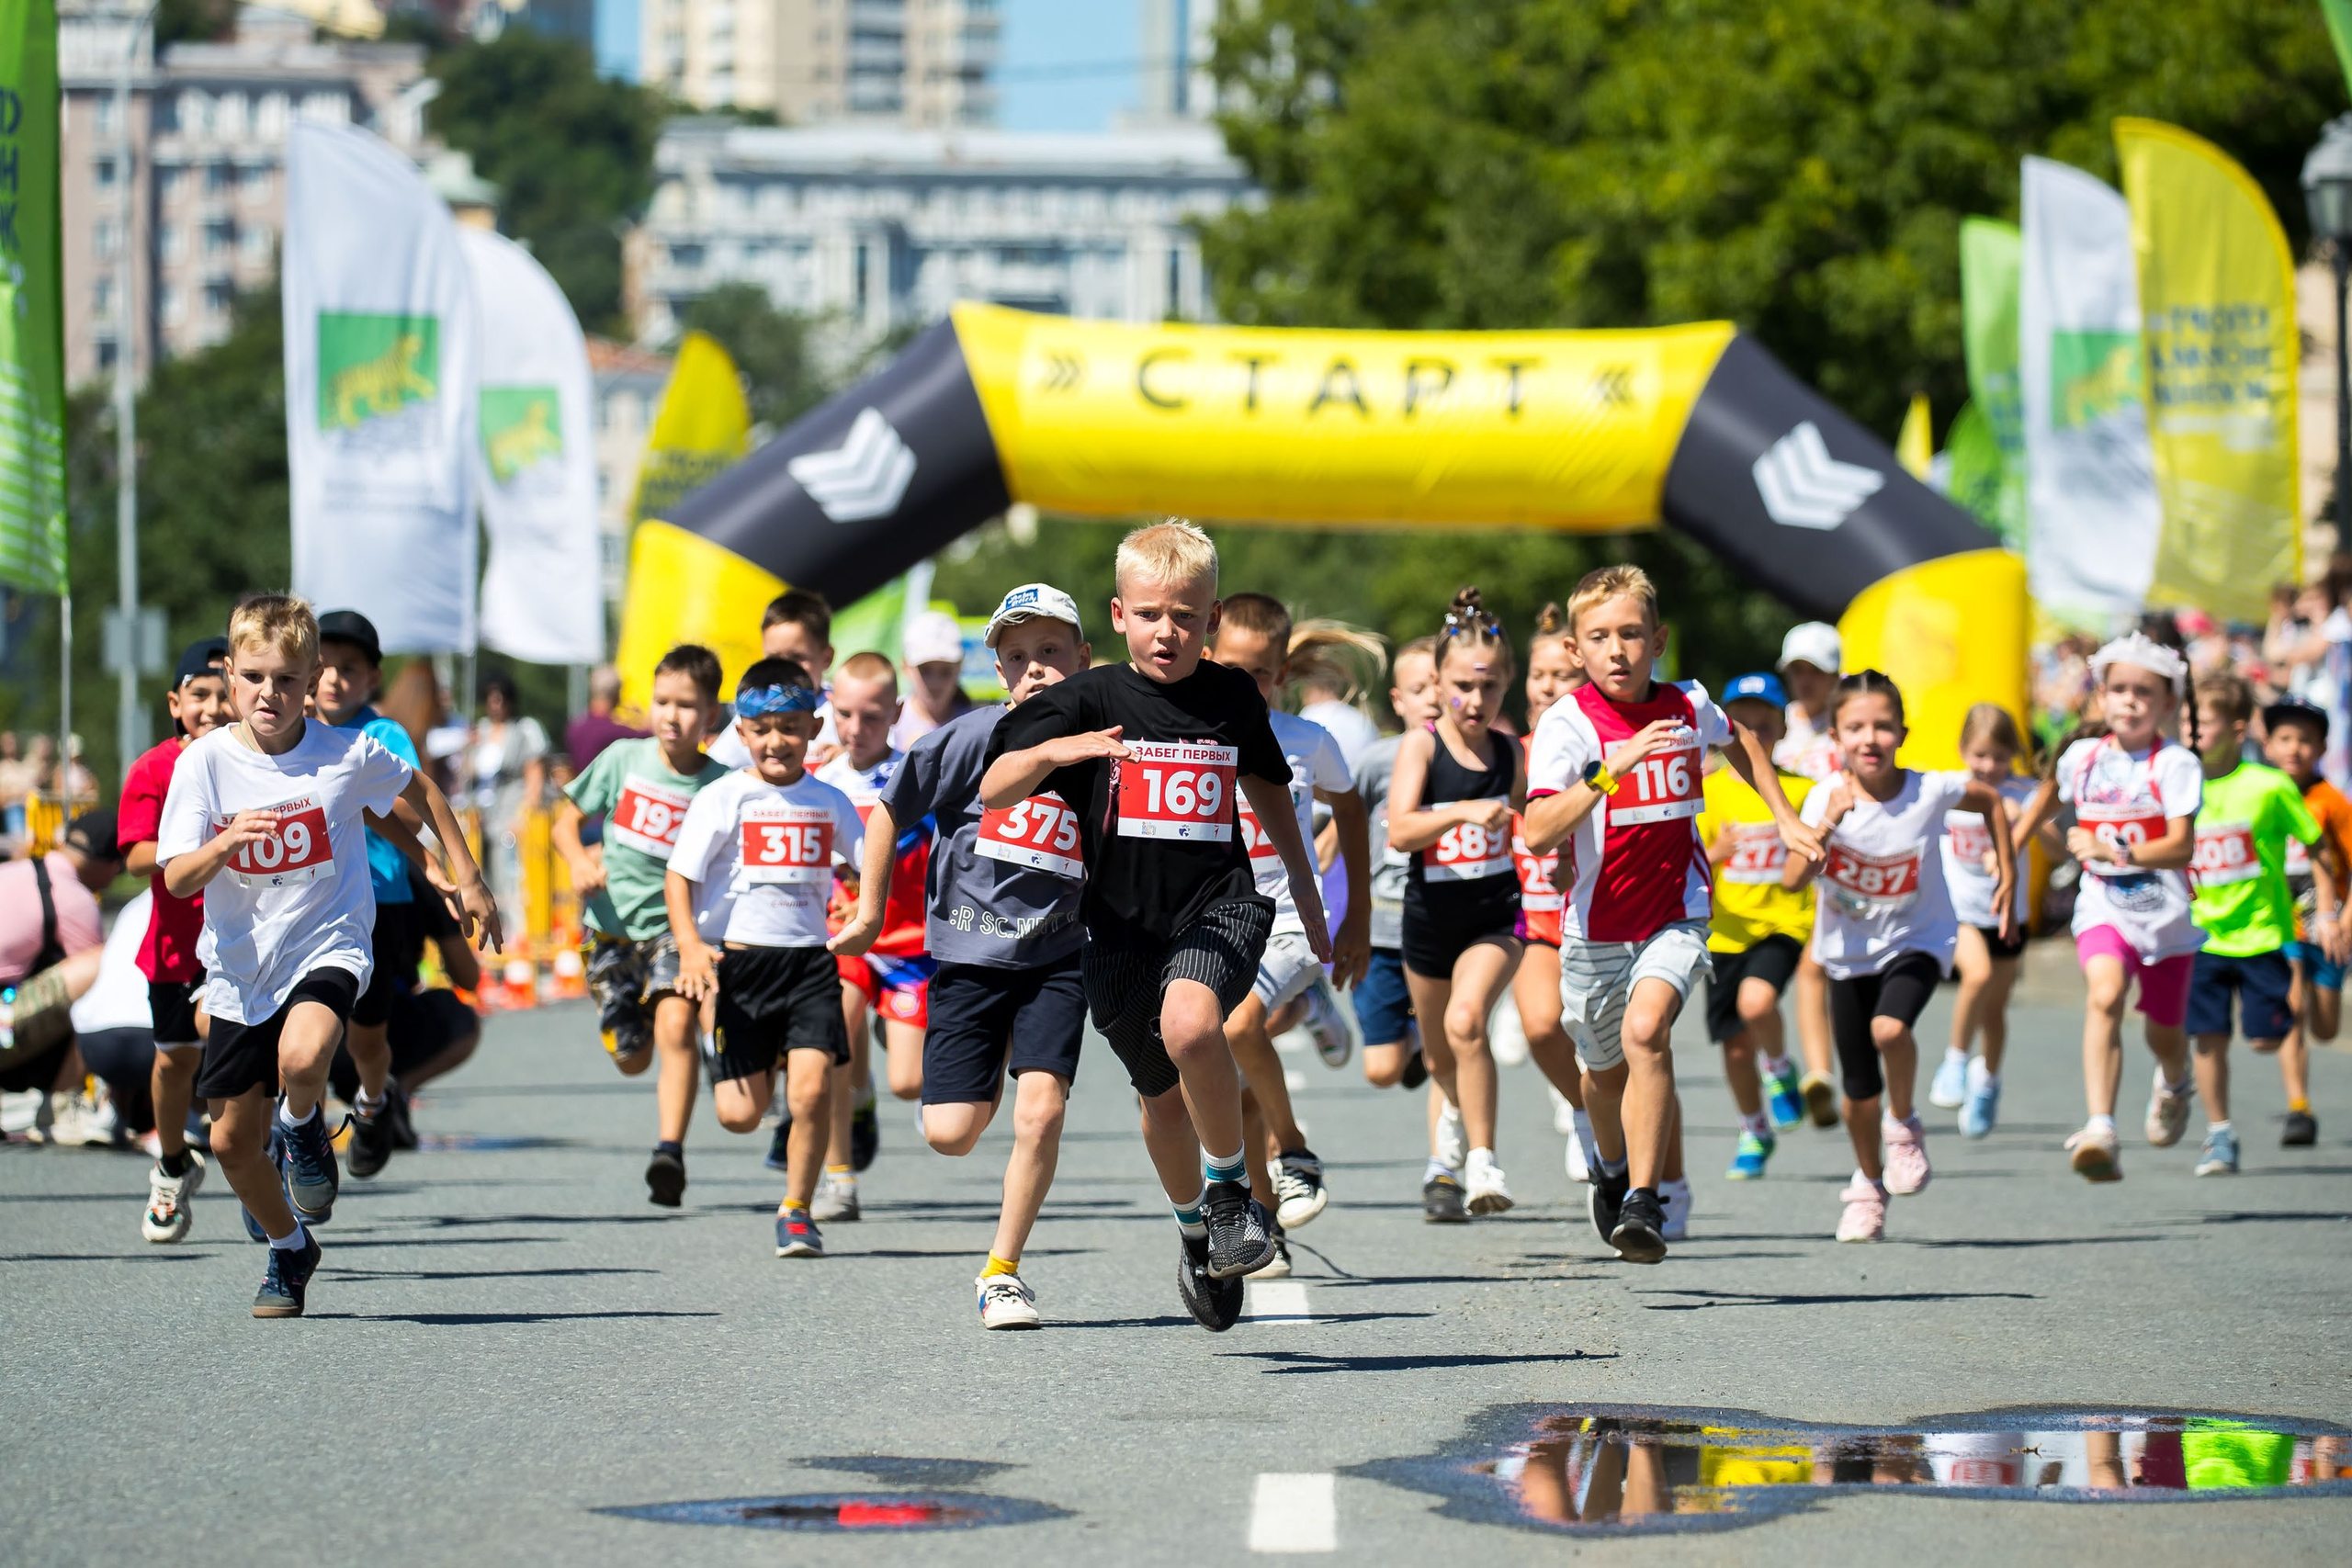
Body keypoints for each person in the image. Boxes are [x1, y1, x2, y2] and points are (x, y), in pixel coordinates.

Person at [980, 519, 1329, 1331]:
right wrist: (1061, 749)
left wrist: (1309, 896)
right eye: (1148, 614)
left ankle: (1235, 1194)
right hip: (1119, 932)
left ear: (1210, 622)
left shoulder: (1231, 694)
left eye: (1184, 615)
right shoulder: (1088, 698)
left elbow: (1270, 788)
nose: (1166, 631)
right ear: (1118, 615)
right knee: (1160, 1100)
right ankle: (1197, 1234)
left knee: (1193, 1023)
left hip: (1219, 905)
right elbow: (997, 784)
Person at [158, 593, 495, 1318]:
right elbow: (176, 874)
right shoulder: (204, 765)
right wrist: (223, 844)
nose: (267, 694)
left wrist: (466, 878)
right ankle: (289, 1249)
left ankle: (304, 1124)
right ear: (230, 671)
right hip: (242, 968)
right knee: (228, 1142)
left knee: (304, 1058)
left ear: (311, 679)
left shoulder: (344, 753)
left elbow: (424, 793)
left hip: (330, 942)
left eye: (285, 679)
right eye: (252, 677)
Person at [1521, 565, 1818, 1264]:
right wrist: (1609, 770)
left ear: (1658, 639)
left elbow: (1740, 738)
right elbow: (1537, 830)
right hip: (1595, 926)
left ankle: (1646, 1200)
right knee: (1600, 1072)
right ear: (1575, 650)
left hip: (1677, 913)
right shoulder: (1568, 724)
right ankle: (1612, 1166)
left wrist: (1786, 817)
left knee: (1647, 1031)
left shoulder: (1687, 704)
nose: (1617, 650)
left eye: (1631, 633)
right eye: (1599, 637)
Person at [831, 583, 1091, 1327]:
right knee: (950, 1133)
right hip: (970, 960)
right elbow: (887, 810)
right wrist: (871, 910)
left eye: (1050, 651)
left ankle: (1002, 1272)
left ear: (1082, 656)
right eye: (1018, 656)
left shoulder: (1106, 746)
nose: (1036, 668)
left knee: (1039, 1113)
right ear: (999, 670)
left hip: (1057, 959)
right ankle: (972, 1067)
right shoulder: (966, 740)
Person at [1781, 671, 2016, 1242]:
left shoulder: (1928, 791)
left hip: (1918, 942)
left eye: (1883, 726)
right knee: (1857, 1093)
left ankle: (1905, 1126)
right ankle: (1867, 1186)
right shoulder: (1821, 798)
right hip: (1847, 957)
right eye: (1856, 726)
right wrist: (1829, 820)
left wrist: (2007, 873)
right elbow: (1791, 880)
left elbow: (1989, 800)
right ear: (1835, 735)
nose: (1870, 738)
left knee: (1891, 1030)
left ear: (1902, 733)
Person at [664, 658, 865, 1259]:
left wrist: (867, 912)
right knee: (739, 1115)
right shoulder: (723, 797)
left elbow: (867, 857)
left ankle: (797, 1210)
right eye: (763, 727)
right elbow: (679, 877)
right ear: (742, 731)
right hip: (742, 969)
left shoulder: (829, 800)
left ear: (812, 727)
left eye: (790, 725)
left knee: (808, 1094)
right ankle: (722, 1043)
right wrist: (691, 947)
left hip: (809, 966)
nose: (777, 739)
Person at [1206, 592, 1370, 1261]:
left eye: (1263, 675)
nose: (1248, 688)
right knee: (1236, 1076)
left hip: (1292, 925)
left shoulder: (1308, 742)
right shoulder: (1191, 738)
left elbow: (1352, 811)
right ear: (1210, 658)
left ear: (1282, 675)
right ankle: (1265, 1223)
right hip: (1219, 927)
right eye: (1234, 671)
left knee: (1240, 1026)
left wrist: (1356, 912)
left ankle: (1296, 1150)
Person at [2015, 632, 2203, 1184]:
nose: (2129, 701)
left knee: (2163, 1032)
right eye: (2118, 689)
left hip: (2167, 917)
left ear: (2168, 703)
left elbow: (2182, 846)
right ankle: (2101, 1127)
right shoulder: (2082, 757)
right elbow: (2044, 803)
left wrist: (2113, 849)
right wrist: (2017, 850)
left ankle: (2174, 1079)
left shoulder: (2175, 764)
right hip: (2103, 907)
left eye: (2144, 692)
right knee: (2105, 995)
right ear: (2101, 695)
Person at [553, 644, 729, 1206]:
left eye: (686, 705)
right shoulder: (623, 760)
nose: (671, 715)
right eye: (661, 702)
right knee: (632, 1060)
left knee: (677, 1026)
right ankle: (637, 1020)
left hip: (676, 933)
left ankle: (669, 1152)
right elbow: (566, 823)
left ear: (710, 716)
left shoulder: (721, 786)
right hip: (608, 932)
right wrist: (580, 861)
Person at [1387, 588, 1527, 1219]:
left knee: (1469, 1021)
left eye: (1491, 688)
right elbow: (1400, 830)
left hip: (1497, 915)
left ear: (1507, 685)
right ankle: (1442, 1153)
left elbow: (1533, 821)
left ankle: (1483, 1161)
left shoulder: (1510, 752)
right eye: (1464, 687)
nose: (1476, 701)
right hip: (1429, 920)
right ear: (1439, 681)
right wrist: (1465, 810)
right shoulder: (1421, 746)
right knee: (1440, 1050)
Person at [2181, 674, 2343, 1177]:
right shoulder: (2175, 785)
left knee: (2265, 1039)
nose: (2191, 733)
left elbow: (2318, 846)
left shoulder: (2269, 787)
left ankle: (2279, 1032)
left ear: (2235, 728)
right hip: (2201, 935)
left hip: (2266, 934)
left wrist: (2333, 913)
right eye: (2186, 722)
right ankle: (2219, 1134)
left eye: (2201, 723)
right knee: (2207, 1038)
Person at [813, 651, 935, 1222]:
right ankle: (838, 1178)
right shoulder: (818, 781)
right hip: (845, 942)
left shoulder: (918, 775)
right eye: (844, 714)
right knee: (836, 1029)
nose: (855, 729)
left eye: (870, 716)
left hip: (911, 948)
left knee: (909, 1084)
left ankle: (876, 1071)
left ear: (897, 713)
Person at [118, 637, 232, 1239]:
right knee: (174, 1062)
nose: (213, 706)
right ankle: (171, 1163)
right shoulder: (154, 768)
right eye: (200, 694)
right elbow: (136, 856)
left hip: (244, 939)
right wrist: (194, 844)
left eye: (223, 692)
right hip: (174, 946)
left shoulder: (256, 759)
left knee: (225, 1029)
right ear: (175, 702)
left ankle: (260, 1152)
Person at [310, 611, 430, 1179]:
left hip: (380, 902)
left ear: (373, 678)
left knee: (366, 1037)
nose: (334, 679)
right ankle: (297, 1129)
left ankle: (374, 1102)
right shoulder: (292, 733)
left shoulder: (382, 736)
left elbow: (407, 805)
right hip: (308, 901)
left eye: (349, 669)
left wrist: (351, 784)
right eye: (324, 666)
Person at [1694, 671, 1815, 1181]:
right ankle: (1753, 1129)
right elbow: (1685, 858)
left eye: (1766, 724)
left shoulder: (1802, 791)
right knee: (1735, 1045)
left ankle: (1781, 1069)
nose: (1755, 733)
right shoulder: (1706, 791)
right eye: (1743, 723)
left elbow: (1820, 848)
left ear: (1783, 729)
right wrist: (1713, 854)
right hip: (1724, 932)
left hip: (1782, 922)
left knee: (1757, 1003)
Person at [1513, 605, 1600, 1186]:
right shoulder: (1508, 752)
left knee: (1616, 1049)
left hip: (1601, 921)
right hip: (1534, 924)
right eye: (1538, 675)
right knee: (1541, 1027)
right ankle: (1585, 1112)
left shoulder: (1603, 753)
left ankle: (1658, 1180)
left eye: (1562, 676)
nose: (1548, 686)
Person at [1928, 705, 2039, 1139]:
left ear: (2013, 754)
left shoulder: (2024, 793)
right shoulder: (1951, 791)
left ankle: (1987, 1081)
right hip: (1961, 910)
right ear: (1961, 751)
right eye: (1979, 755)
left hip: (2009, 914)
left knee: (1995, 1011)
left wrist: (2021, 820)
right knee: (1977, 976)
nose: (1989, 766)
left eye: (1998, 756)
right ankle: (1955, 1061)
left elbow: (2055, 840)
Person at [0, 810, 124, 1145]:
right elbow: (101, 1000)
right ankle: (64, 1103)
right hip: (4, 1026)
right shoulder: (74, 898)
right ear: (108, 864)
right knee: (105, 966)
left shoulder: (13, 871)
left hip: (9, 1010)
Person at [2260, 694, 2352, 1145]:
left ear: (2321, 748)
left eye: (2306, 741)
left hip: (2328, 921)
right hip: (2282, 923)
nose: (2295, 749)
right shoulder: (2262, 794)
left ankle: (2324, 1000)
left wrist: (2345, 917)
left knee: (2326, 1025)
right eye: (2285, 739)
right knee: (2292, 1007)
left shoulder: (2332, 801)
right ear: (2268, 744)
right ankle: (2299, 1108)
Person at [1771, 621, 1845, 1128]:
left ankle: (1824, 1070)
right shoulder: (1778, 726)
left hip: (1843, 861)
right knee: (1809, 967)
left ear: (1835, 675)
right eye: (1796, 671)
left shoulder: (1851, 724)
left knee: (1823, 967)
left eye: (1814, 672)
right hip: (1790, 862)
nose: (1805, 681)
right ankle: (1817, 1072)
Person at [709, 591, 841, 767]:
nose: (786, 669)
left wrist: (851, 759)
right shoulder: (754, 707)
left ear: (826, 658)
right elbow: (716, 767)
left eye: (797, 658)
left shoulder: (845, 712)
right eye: (775, 658)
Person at [895, 609, 976, 748]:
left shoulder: (976, 725)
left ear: (960, 667)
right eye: (925, 670)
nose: (935, 682)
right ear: (906, 667)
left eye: (946, 671)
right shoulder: (886, 719)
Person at [566, 664, 646, 773]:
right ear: (616, 695)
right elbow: (650, 736)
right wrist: (643, 719)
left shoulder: (575, 727)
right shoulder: (615, 732)